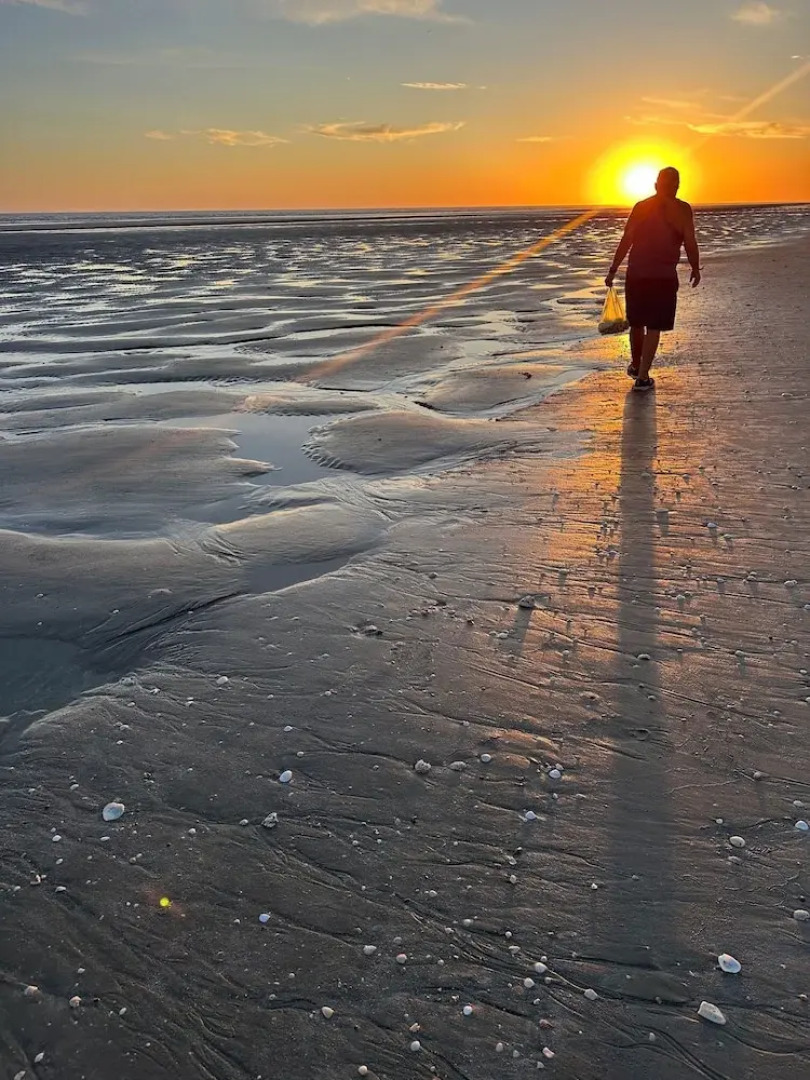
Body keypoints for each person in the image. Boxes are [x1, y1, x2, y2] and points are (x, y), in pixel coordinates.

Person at [605, 166, 701, 391]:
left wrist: (613, 269)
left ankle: (637, 365)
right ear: (677, 186)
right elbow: (690, 242)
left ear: (656, 185)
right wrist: (695, 268)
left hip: (637, 274)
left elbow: (626, 240)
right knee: (654, 326)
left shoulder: (642, 207)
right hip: (663, 277)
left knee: (637, 323)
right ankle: (642, 375)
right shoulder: (682, 210)